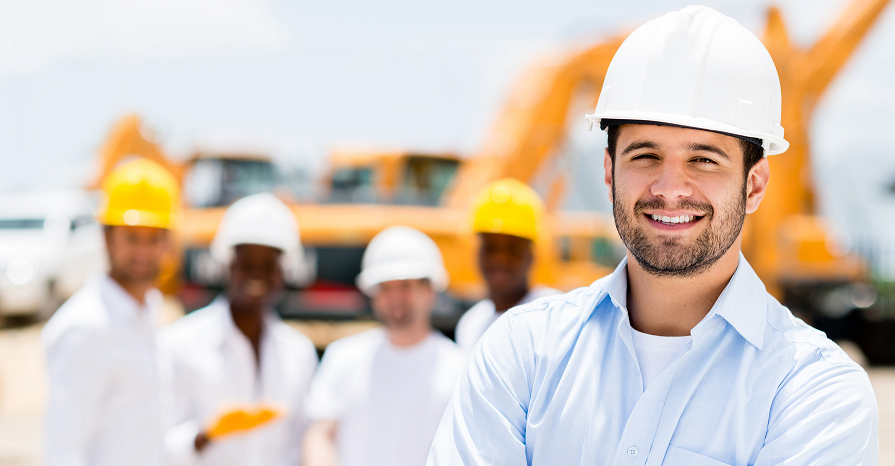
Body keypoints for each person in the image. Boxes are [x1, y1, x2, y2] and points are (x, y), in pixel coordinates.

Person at [428, 6, 878, 465]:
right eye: (645, 156)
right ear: (609, 172)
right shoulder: (519, 353)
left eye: (704, 160)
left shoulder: (815, 390)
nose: (669, 189)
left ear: (755, 184)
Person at [159, 193, 318, 466]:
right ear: (228, 265)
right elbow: (155, 444)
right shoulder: (180, 344)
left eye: (268, 265)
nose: (257, 274)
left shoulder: (298, 353)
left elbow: (303, 443)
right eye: (247, 263)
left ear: (284, 272)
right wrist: (205, 434)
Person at [42, 158, 179, 466]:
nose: (143, 251)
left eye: (153, 238)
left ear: (166, 243)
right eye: (132, 238)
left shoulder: (149, 314)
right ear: (107, 238)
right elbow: (64, 451)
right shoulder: (85, 328)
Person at [302, 226, 465, 466]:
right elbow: (320, 436)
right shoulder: (343, 357)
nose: (395, 297)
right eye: (386, 288)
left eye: (405, 286)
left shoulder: (459, 368)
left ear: (429, 290)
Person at [455, 178, 559, 353]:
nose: (500, 259)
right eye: (491, 246)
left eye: (512, 248)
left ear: (532, 253)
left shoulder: (553, 317)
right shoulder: (471, 324)